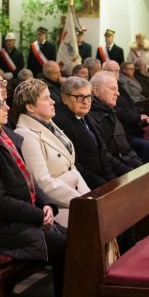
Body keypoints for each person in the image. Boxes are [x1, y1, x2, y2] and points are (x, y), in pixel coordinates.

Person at [0, 85, 67, 297]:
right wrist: (38, 215)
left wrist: (46, 205)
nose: (7, 107)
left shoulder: (4, 136)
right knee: (67, 245)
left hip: (20, 220)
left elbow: (29, 179)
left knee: (79, 237)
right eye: (0, 103)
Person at [13, 79, 88, 227]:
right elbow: (43, 182)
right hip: (60, 205)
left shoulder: (49, 124)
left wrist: (89, 197)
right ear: (30, 107)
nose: (53, 102)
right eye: (46, 98)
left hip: (78, 194)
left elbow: (71, 167)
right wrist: (81, 202)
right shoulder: (26, 135)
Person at [53, 76, 119, 186]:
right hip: (89, 186)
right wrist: (105, 185)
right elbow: (76, 166)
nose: (86, 102)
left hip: (105, 177)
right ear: (65, 98)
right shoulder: (60, 122)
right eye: (79, 97)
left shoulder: (84, 113)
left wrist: (127, 172)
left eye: (88, 97)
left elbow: (104, 153)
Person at [87, 71, 143, 173]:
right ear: (96, 91)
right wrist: (130, 171)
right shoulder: (89, 118)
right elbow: (105, 156)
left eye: (117, 89)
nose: (117, 93)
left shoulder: (111, 111)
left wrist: (139, 165)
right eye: (112, 88)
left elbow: (126, 148)